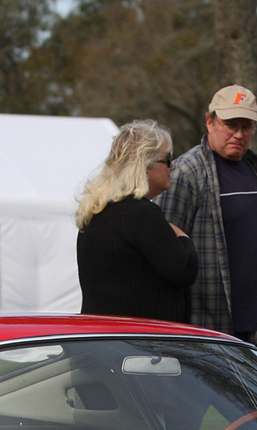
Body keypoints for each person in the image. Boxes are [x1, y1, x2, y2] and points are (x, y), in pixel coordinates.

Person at [155, 84, 257, 364]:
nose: (238, 134)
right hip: (205, 333)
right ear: (210, 121)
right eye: (230, 125)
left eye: (246, 126)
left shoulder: (252, 169)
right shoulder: (186, 173)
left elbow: (255, 254)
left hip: (253, 332)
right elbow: (163, 255)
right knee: (190, 409)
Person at [76, 119, 199, 323]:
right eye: (167, 159)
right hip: (141, 344)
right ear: (145, 165)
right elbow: (184, 270)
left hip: (102, 338)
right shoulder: (140, 214)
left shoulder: (95, 211)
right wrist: (182, 235)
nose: (173, 165)